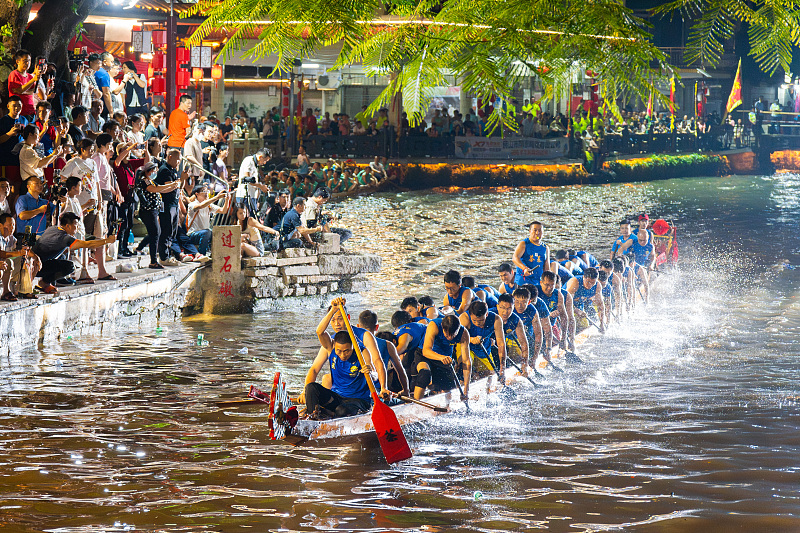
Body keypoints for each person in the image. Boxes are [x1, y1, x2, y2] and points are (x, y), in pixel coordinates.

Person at [299, 299, 389, 419]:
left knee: (340, 411)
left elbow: (376, 368)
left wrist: (381, 385)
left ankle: (329, 415)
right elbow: (319, 332)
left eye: (346, 351)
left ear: (352, 347)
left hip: (358, 399)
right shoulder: (331, 344)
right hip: (338, 397)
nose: (342, 355)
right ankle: (313, 418)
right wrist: (334, 309)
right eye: (339, 351)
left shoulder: (362, 349)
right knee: (311, 387)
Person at [31, 212, 116, 295]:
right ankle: (44, 283)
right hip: (36, 267)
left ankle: (47, 281)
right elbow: (87, 244)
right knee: (70, 266)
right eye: (75, 224)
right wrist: (107, 241)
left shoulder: (53, 228)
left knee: (63, 256)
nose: (77, 227)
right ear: (68, 226)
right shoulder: (65, 238)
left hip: (36, 263)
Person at [415, 314, 471, 401]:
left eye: (453, 335)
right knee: (424, 374)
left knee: (449, 390)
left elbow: (466, 361)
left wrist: (466, 390)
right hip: (426, 355)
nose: (450, 338)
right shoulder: (434, 325)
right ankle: (416, 405)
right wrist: (441, 357)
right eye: (447, 334)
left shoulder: (464, 333)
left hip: (445, 359)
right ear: (443, 327)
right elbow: (426, 351)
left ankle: (445, 406)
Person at [358, 310, 410, 396]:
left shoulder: (350, 345)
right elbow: (400, 370)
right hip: (378, 391)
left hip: (355, 390)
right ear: (377, 327)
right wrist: (406, 390)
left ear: (358, 327)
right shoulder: (388, 345)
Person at [459, 300, 506, 382]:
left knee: (492, 374)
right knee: (465, 368)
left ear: (487, 314)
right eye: (474, 321)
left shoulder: (496, 320)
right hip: (466, 346)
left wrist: (502, 369)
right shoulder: (464, 318)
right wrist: (471, 339)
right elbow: (457, 337)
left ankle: (476, 377)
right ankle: (464, 380)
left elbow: (501, 344)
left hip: (484, 348)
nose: (477, 323)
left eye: (481, 321)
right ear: (470, 315)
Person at [155, 149, 187, 266]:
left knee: (172, 232)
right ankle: (163, 257)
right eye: (177, 159)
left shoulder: (173, 170)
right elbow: (170, 186)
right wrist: (181, 179)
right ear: (170, 157)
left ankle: (168, 255)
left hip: (174, 204)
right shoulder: (164, 170)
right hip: (166, 204)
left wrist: (183, 179)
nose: (179, 162)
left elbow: (179, 188)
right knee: (166, 230)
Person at [0, 213, 39, 301]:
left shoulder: (11, 238)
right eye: (9, 225)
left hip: (6, 269)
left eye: (13, 225)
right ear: (0, 226)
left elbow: (23, 248)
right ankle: (6, 292)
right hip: (2, 267)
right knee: (9, 262)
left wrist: (36, 257)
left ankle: (25, 290)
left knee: (28, 258)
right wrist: (17, 253)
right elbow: (1, 253)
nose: (12, 227)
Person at [493, 292, 530, 375]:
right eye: (502, 308)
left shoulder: (516, 320)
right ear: (497, 306)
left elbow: (524, 343)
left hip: (502, 344)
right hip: (486, 344)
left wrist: (524, 365)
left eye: (509, 308)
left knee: (516, 357)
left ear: (513, 308)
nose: (505, 312)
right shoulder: (490, 316)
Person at [537, 270, 573, 353]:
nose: (549, 288)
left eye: (552, 285)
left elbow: (564, 317)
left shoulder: (558, 294)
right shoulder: (535, 292)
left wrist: (564, 338)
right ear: (541, 282)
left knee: (554, 345)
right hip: (536, 327)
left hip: (550, 326)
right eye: (546, 285)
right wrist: (548, 315)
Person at [391, 310, 428, 386]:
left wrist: (384, 357)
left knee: (412, 366)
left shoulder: (404, 334)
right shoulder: (398, 332)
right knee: (404, 363)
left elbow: (401, 349)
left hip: (426, 344)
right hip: (417, 344)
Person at [618, 228, 654, 304]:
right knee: (628, 283)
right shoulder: (631, 242)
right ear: (637, 238)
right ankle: (627, 300)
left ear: (648, 238)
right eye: (640, 240)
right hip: (629, 265)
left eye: (645, 240)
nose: (643, 242)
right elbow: (620, 250)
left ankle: (647, 301)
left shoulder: (651, 246)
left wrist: (651, 265)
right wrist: (621, 263)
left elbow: (653, 257)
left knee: (645, 282)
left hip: (640, 267)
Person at [566, 267, 606, 333]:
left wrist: (601, 324)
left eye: (593, 282)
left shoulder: (598, 286)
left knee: (584, 325)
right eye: (588, 282)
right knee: (570, 323)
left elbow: (600, 306)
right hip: (563, 305)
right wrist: (576, 310)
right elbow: (565, 302)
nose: (590, 285)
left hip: (579, 305)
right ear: (583, 277)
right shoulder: (575, 282)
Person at [513, 221, 550, 286]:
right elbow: (515, 258)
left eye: (540, 231)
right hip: (523, 282)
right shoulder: (523, 244)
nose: (537, 233)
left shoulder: (545, 248)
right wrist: (524, 268)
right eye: (535, 230)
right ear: (530, 231)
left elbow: (546, 268)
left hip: (537, 283)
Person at [8, 50, 40, 118]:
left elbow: (32, 91)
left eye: (29, 60)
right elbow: (19, 90)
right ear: (17, 61)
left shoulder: (30, 76)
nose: (27, 63)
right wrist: (33, 80)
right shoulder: (14, 74)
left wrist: (23, 91)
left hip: (31, 111)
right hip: (19, 113)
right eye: (25, 60)